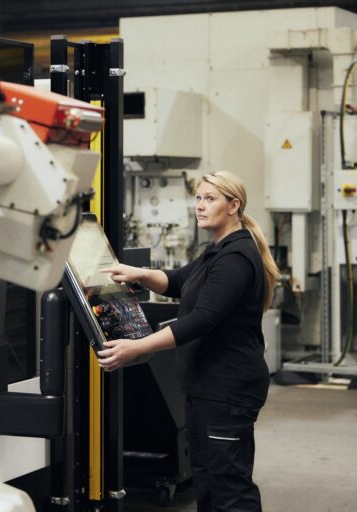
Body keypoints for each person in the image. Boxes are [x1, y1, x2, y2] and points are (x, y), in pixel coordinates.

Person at [98, 171, 279, 512]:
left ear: (233, 205)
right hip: (205, 387)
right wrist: (139, 274)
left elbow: (202, 320)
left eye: (210, 198)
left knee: (231, 488)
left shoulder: (236, 257)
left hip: (227, 390)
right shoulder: (218, 249)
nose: (200, 205)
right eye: (198, 198)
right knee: (208, 484)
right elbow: (180, 281)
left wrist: (138, 347)